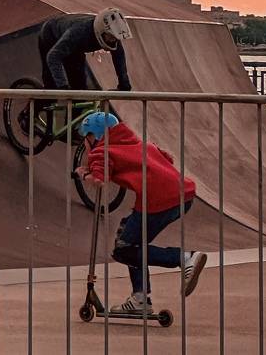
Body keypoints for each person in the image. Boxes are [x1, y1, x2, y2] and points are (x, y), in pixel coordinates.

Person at [79, 110, 206, 317]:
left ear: (95, 136)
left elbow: (99, 180)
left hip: (158, 201)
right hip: (184, 195)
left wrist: (85, 173)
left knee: (124, 250)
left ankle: (185, 258)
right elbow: (168, 158)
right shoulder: (142, 144)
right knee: (129, 236)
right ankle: (140, 298)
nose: (85, 144)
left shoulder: (101, 152)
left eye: (85, 138)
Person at [38, 8, 133, 96]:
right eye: (111, 37)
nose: (113, 41)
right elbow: (53, 56)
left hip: (76, 44)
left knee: (80, 86)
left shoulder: (113, 35)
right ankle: (37, 104)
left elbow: (119, 57)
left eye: (115, 38)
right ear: (101, 30)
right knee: (52, 86)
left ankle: (75, 103)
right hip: (51, 34)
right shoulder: (79, 32)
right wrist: (63, 87)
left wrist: (124, 84)